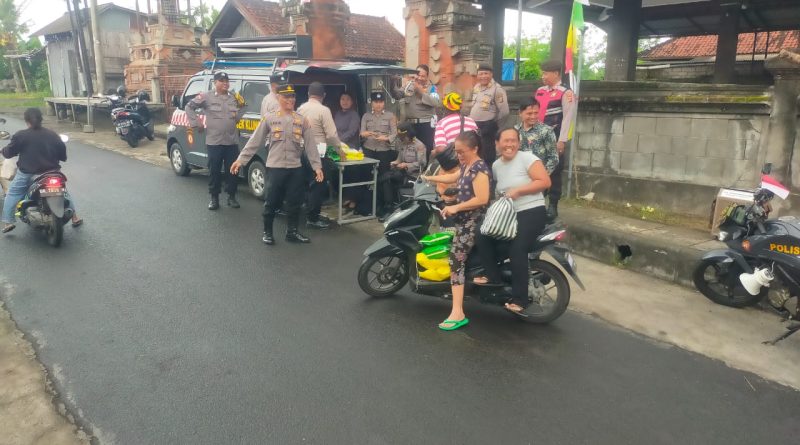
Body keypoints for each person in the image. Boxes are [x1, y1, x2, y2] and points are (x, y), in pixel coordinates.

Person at [231, 84, 323, 245]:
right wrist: (241, 160)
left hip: (295, 168)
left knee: (294, 202)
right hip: (275, 167)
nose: (290, 100)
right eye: (286, 97)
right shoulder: (269, 118)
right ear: (279, 98)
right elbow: (255, 141)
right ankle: (267, 232)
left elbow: (310, 146)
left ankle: (292, 232)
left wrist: (317, 167)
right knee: (272, 201)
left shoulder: (301, 120)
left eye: (292, 96)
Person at [475, 127, 551, 315]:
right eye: (505, 141)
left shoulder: (528, 158)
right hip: (508, 214)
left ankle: (520, 299)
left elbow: (544, 182)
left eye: (513, 141)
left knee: (517, 250)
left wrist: (519, 190)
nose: (509, 145)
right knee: (481, 233)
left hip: (531, 211)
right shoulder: (496, 166)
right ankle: (493, 277)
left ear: (518, 143)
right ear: (497, 143)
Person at [422, 131, 490, 331]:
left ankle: (457, 312)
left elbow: (482, 198)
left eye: (462, 152)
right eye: (457, 152)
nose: (458, 155)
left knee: (455, 261)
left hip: (472, 222)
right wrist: (428, 177)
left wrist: (456, 207)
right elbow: (453, 176)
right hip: (463, 219)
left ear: (475, 149)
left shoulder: (480, 169)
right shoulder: (467, 165)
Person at [1, 108, 82, 233]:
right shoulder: (52, 134)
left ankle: (8, 222)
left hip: (27, 173)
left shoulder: (21, 135)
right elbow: (63, 156)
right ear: (41, 119)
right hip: (52, 172)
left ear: (26, 120)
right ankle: (75, 217)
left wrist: (3, 151)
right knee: (63, 192)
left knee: (13, 193)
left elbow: (8, 153)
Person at [186, 71, 245, 211]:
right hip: (214, 142)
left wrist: (239, 113)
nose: (225, 83)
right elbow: (189, 107)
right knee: (214, 171)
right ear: (215, 82)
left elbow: (240, 112)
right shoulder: (206, 96)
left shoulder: (234, 97)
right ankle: (214, 198)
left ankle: (231, 196)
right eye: (222, 81)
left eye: (227, 81)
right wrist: (197, 122)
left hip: (231, 141)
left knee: (233, 171)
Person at [297, 81, 346, 230]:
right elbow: (331, 135)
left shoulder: (300, 108)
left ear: (308, 94)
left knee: (307, 183)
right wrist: (340, 151)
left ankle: (307, 210)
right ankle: (312, 218)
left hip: (302, 150)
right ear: (323, 95)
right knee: (318, 185)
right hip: (318, 152)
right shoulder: (324, 110)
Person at [534, 59, 576, 220]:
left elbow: (568, 118)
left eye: (546, 73)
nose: (543, 76)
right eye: (542, 73)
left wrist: (562, 140)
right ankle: (537, 202)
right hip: (537, 137)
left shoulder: (566, 93)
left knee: (555, 171)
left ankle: (553, 205)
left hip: (554, 137)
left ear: (556, 74)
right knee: (537, 168)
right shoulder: (540, 91)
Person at [360, 91, 398, 216]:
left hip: (384, 150)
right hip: (369, 149)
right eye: (376, 102)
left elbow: (395, 133)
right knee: (367, 177)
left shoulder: (390, 116)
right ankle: (368, 205)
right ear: (371, 103)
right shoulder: (366, 116)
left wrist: (386, 138)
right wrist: (365, 134)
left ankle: (386, 205)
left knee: (384, 177)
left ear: (384, 103)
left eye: (381, 102)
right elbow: (362, 132)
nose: (378, 104)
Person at [469, 63, 509, 165]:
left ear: (491, 74)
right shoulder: (477, 87)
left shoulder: (497, 89)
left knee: (487, 155)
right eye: (480, 74)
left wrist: (494, 125)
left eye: (486, 73)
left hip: (488, 127)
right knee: (475, 152)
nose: (483, 76)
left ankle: (489, 173)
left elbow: (504, 112)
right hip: (474, 126)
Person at [380, 122, 426, 209]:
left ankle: (389, 206)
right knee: (385, 179)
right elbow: (399, 159)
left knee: (386, 178)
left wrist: (407, 165)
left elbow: (422, 164)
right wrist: (394, 163)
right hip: (402, 173)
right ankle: (388, 205)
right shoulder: (403, 144)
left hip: (413, 176)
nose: (402, 139)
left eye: (403, 137)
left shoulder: (419, 145)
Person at [399, 64, 439, 160]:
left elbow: (436, 102)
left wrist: (420, 91)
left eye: (423, 76)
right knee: (410, 150)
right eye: (418, 75)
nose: (419, 78)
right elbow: (397, 95)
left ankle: (425, 168)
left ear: (427, 77)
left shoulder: (432, 88)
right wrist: (394, 83)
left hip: (425, 125)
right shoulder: (409, 85)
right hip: (411, 125)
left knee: (426, 149)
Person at [515, 99, 559, 174]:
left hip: (538, 175)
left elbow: (553, 158)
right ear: (520, 113)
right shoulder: (515, 130)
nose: (533, 117)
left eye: (536, 113)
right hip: (519, 173)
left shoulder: (546, 131)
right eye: (529, 114)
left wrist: (543, 175)